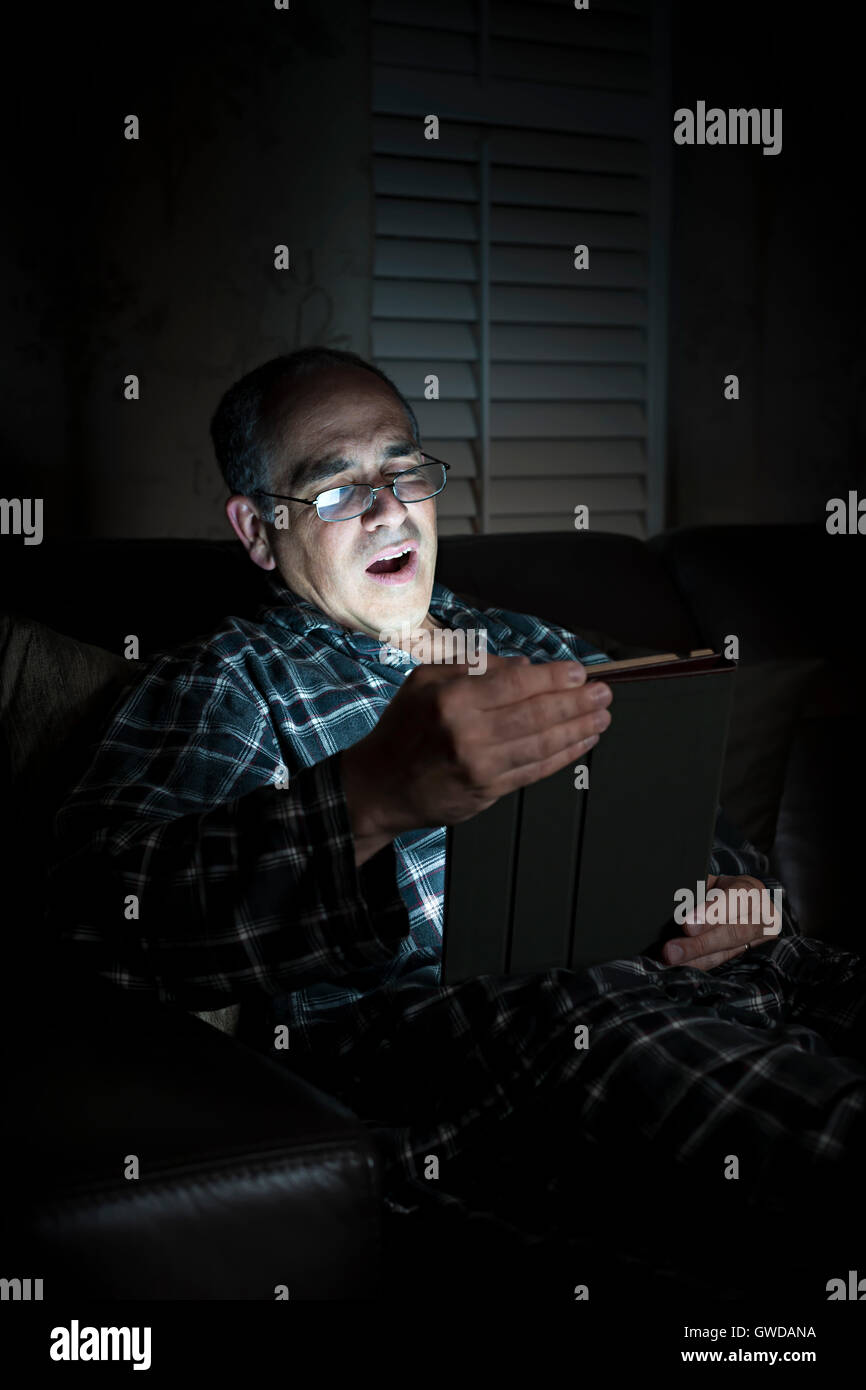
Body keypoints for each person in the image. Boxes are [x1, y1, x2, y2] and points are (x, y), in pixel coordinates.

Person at [49, 347, 866, 1294]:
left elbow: (712, 840)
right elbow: (97, 923)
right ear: (259, 531)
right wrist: (369, 799)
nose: (389, 506)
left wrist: (750, 908)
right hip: (507, 1049)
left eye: (403, 471)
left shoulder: (536, 645)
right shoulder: (230, 682)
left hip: (753, 996)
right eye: (336, 488)